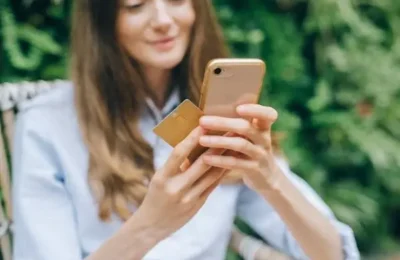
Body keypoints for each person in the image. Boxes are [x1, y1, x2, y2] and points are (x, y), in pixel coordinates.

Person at [12, 1, 360, 260]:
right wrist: (151, 225)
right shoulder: (47, 125)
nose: (163, 20)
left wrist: (269, 177)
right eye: (136, 5)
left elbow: (332, 254)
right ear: (103, 22)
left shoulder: (220, 113)